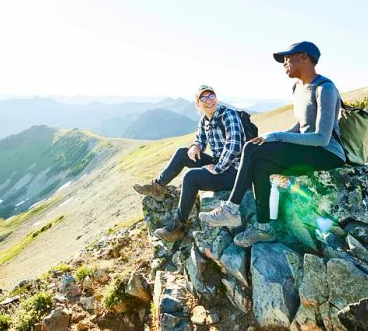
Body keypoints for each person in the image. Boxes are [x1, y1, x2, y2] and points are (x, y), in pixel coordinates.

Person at [198, 41, 346, 247]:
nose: (284, 62)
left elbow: (321, 137)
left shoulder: (325, 88)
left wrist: (277, 136)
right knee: (261, 163)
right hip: (306, 149)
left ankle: (231, 209)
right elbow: (301, 127)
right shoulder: (297, 87)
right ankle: (264, 228)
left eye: (288, 57)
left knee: (251, 149)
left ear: (304, 57)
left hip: (327, 153)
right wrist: (270, 136)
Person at [133, 85, 247, 242]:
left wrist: (218, 168)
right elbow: (200, 140)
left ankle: (177, 228)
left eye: (211, 96)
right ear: (197, 104)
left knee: (190, 177)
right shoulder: (204, 120)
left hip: (236, 171)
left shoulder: (228, 115)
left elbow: (234, 145)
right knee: (182, 152)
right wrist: (196, 146)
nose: (209, 101)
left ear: (216, 98)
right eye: (203, 98)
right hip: (219, 162)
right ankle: (158, 187)